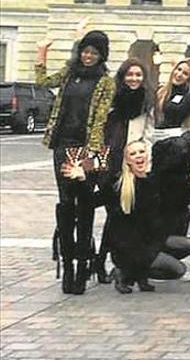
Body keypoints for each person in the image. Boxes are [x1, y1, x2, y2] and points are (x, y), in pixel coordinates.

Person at [36, 29, 115, 294]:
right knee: (66, 207)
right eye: (85, 51)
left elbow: (100, 121)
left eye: (94, 52)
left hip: (86, 148)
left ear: (102, 55)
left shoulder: (106, 82)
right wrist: (41, 52)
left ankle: (83, 266)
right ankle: (67, 266)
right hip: (61, 145)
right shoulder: (69, 74)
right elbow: (43, 81)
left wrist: (88, 158)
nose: (88, 56)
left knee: (85, 208)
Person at [94, 58, 156, 283]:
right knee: (113, 216)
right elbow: (99, 133)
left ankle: (112, 264)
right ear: (122, 76)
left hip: (131, 162)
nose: (134, 79)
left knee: (123, 217)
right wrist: (96, 165)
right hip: (111, 163)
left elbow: (148, 133)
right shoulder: (112, 99)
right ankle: (103, 263)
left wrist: (144, 160)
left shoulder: (147, 101)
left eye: (138, 75)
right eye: (130, 75)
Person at [106, 141, 188, 293]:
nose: (138, 156)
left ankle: (140, 274)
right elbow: (94, 201)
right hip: (130, 246)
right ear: (127, 160)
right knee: (178, 270)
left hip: (151, 240)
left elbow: (175, 202)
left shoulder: (153, 179)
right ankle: (126, 272)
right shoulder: (120, 184)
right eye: (133, 154)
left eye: (141, 152)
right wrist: (81, 180)